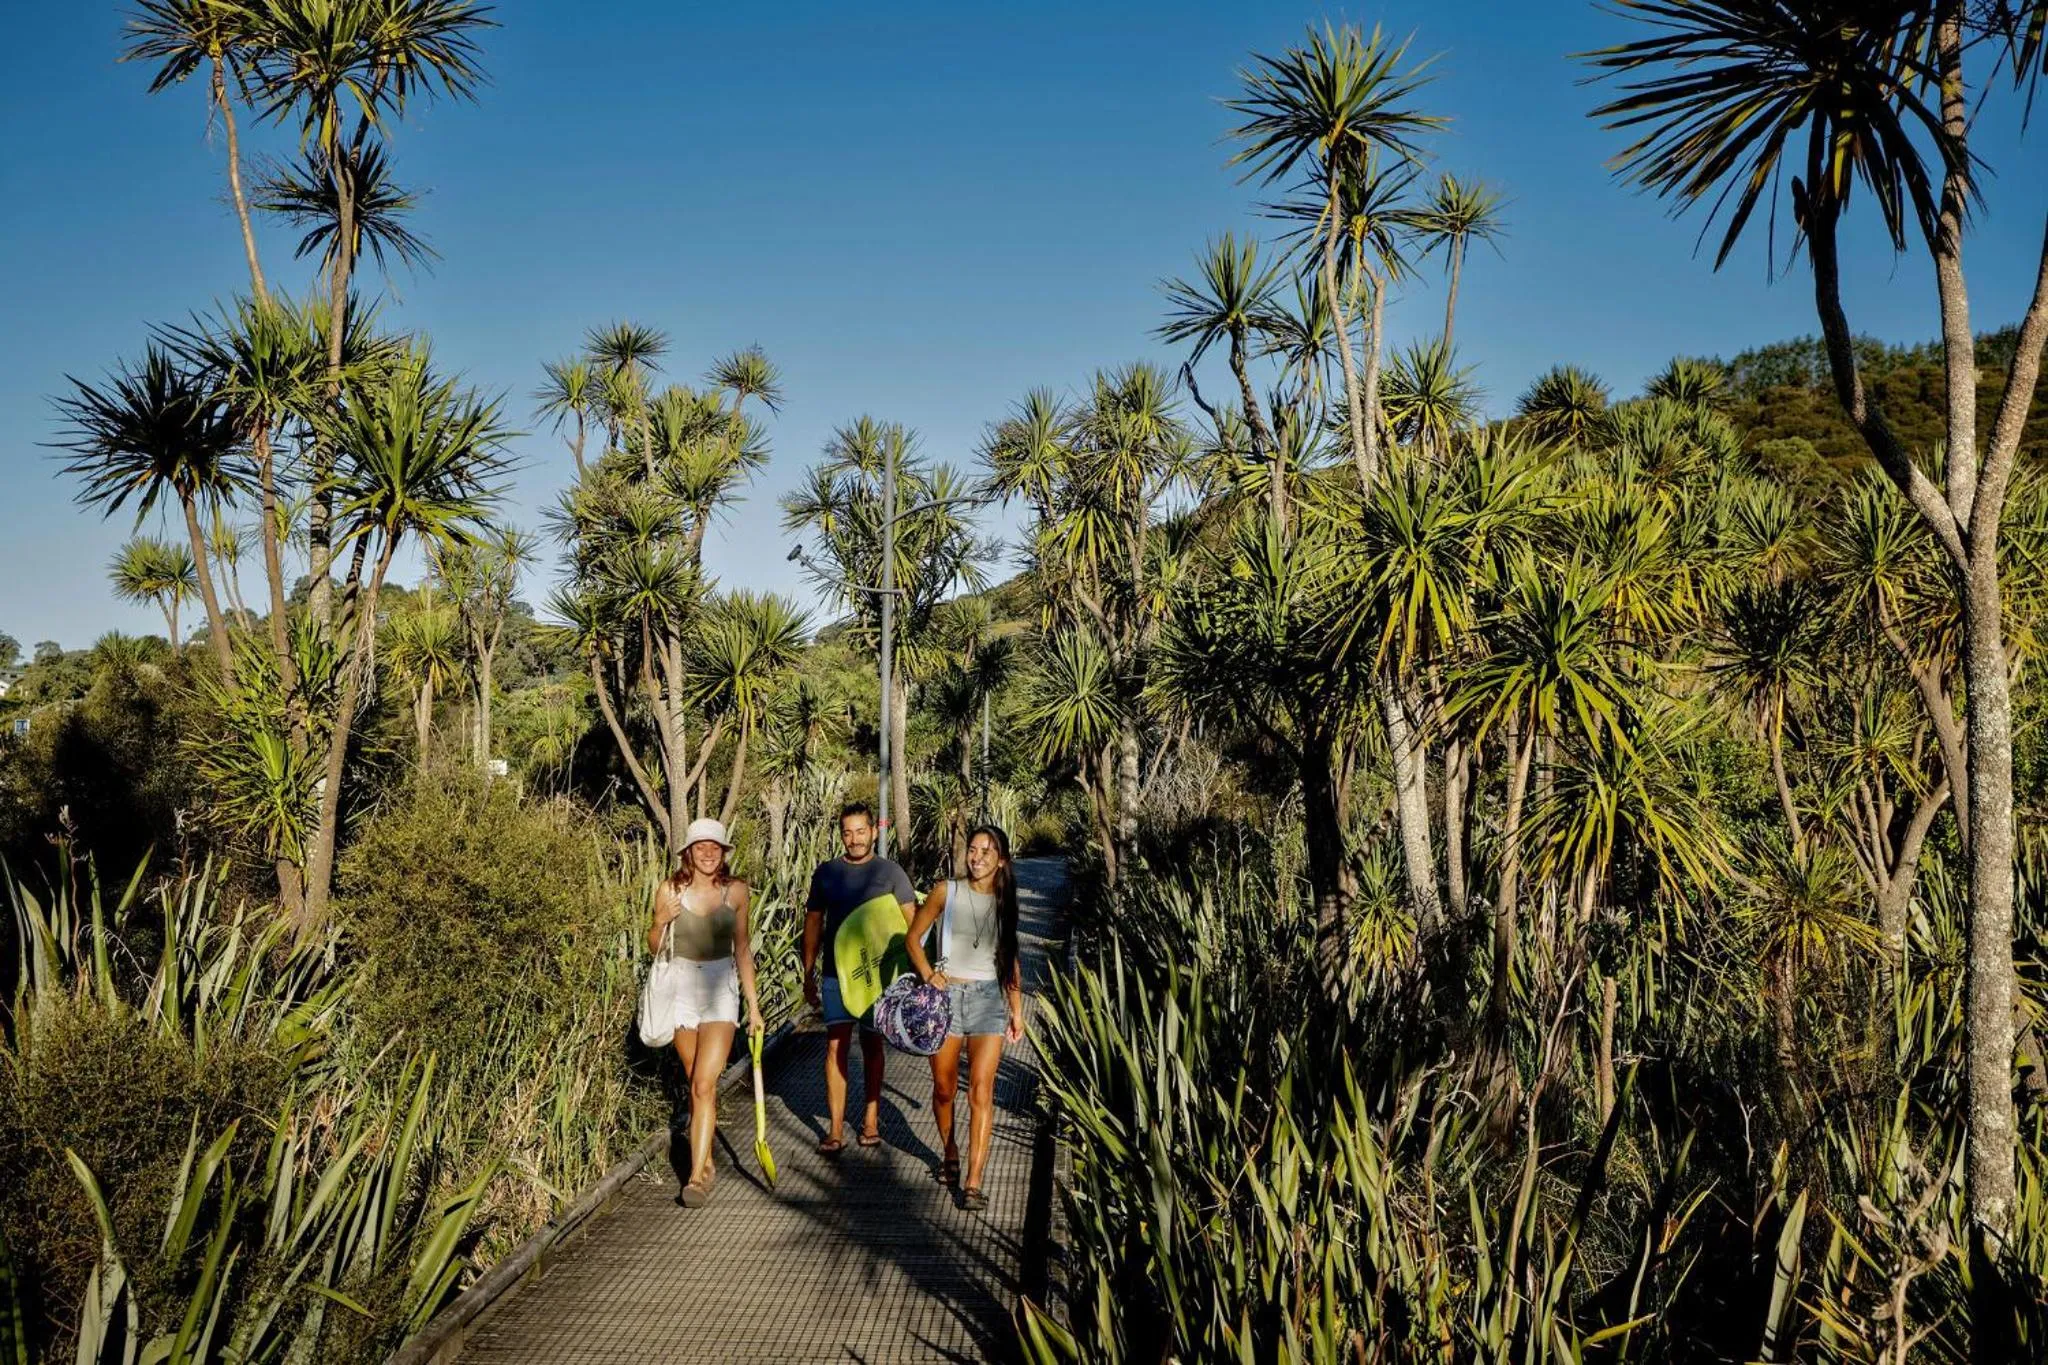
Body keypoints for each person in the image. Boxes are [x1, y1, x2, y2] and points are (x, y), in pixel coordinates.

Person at [904, 825, 1024, 1211]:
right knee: (943, 1087)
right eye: (973, 849)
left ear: (1001, 859)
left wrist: (1016, 1009)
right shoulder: (946, 891)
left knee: (981, 1091)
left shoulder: (1006, 899)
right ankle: (950, 1150)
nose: (977, 857)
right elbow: (913, 938)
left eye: (987, 851)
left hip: (988, 998)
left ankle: (973, 1181)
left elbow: (1010, 956)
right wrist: (929, 975)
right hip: (946, 997)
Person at [648, 816, 764, 1208]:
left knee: (702, 1084)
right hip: (680, 988)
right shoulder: (670, 890)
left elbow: (743, 949)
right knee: (699, 1084)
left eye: (715, 847)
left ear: (724, 852)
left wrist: (754, 1006)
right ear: (689, 853)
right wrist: (660, 921)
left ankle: (696, 1178)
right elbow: (654, 946)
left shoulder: (736, 892)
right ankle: (707, 1157)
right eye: (701, 847)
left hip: (720, 989)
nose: (709, 853)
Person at [802, 802, 918, 1153]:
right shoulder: (826, 873)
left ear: (874, 831)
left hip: (877, 980)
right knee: (835, 1045)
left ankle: (870, 1120)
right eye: (847, 832)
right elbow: (813, 925)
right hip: (836, 975)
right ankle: (836, 1130)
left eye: (860, 831)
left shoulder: (891, 873)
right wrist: (807, 972)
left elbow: (912, 927)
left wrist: (915, 976)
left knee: (871, 1045)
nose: (854, 839)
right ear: (841, 835)